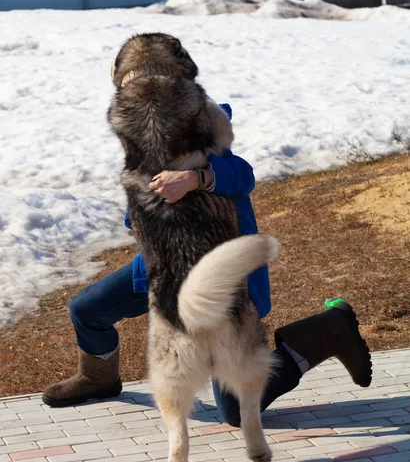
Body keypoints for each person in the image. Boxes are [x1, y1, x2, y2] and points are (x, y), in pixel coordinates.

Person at [43, 104, 372, 425]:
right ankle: (98, 378)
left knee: (234, 412)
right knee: (87, 309)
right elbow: (135, 219)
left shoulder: (216, 161)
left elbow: (242, 176)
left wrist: (194, 179)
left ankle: (328, 331)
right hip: (165, 274)